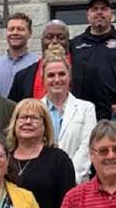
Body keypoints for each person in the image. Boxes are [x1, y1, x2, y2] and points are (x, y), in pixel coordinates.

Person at [70, 0, 116, 121]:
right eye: (94, 9)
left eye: (104, 9)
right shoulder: (75, 44)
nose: (99, 12)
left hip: (115, 115)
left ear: (112, 14)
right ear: (88, 15)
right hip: (80, 115)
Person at [39, 54, 98, 183]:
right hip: (42, 183)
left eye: (62, 74)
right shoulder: (35, 109)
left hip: (77, 182)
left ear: (69, 77)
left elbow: (87, 147)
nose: (57, 79)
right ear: (42, 79)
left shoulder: (86, 109)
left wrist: (69, 178)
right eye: (51, 75)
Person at [8, 20, 72, 103]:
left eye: (61, 38)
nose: (55, 41)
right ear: (42, 41)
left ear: (68, 41)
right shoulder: (22, 76)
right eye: (49, 37)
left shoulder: (85, 72)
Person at [0, 12, 40, 96]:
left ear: (30, 33)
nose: (15, 32)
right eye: (11, 29)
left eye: (20, 29)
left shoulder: (38, 63)